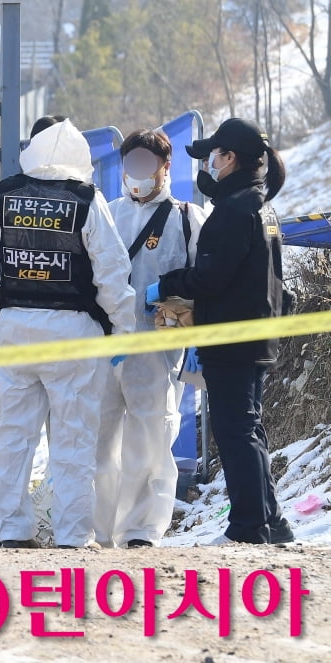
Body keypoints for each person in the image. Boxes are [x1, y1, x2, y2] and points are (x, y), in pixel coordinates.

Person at [0, 116, 136, 549]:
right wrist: (122, 330)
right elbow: (112, 273)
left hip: (14, 330)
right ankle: (73, 535)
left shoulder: (1, 195)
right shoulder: (86, 199)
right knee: (74, 442)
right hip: (73, 335)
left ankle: (13, 532)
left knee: (13, 439)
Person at [147, 117, 292, 545]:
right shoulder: (260, 206)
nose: (209, 164)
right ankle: (272, 522)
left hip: (231, 337)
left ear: (230, 158)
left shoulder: (233, 210)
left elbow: (211, 277)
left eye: (213, 156)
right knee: (249, 428)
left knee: (235, 432)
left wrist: (167, 285)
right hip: (256, 335)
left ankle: (248, 528)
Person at [95, 129, 206, 549]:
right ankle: (97, 529)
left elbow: (204, 280)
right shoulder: (105, 214)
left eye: (145, 164)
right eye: (130, 164)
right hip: (105, 345)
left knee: (151, 439)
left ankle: (142, 529)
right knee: (99, 441)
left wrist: (197, 338)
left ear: (165, 168)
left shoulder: (187, 218)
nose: (136, 172)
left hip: (158, 348)